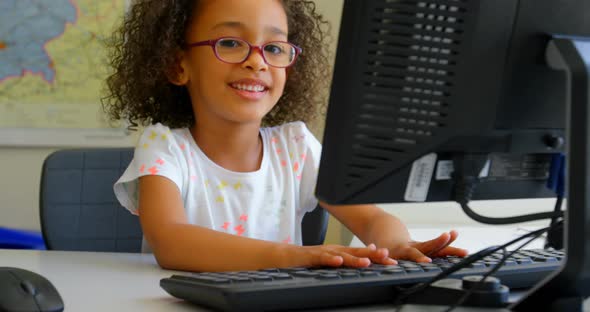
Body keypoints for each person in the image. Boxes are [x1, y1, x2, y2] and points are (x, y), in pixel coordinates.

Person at [103, 0, 468, 272]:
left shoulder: (295, 146)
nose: (258, 61)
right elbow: (171, 242)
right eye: (230, 43)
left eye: (274, 48)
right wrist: (297, 257)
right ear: (177, 65)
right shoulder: (164, 146)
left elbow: (371, 219)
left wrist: (399, 244)